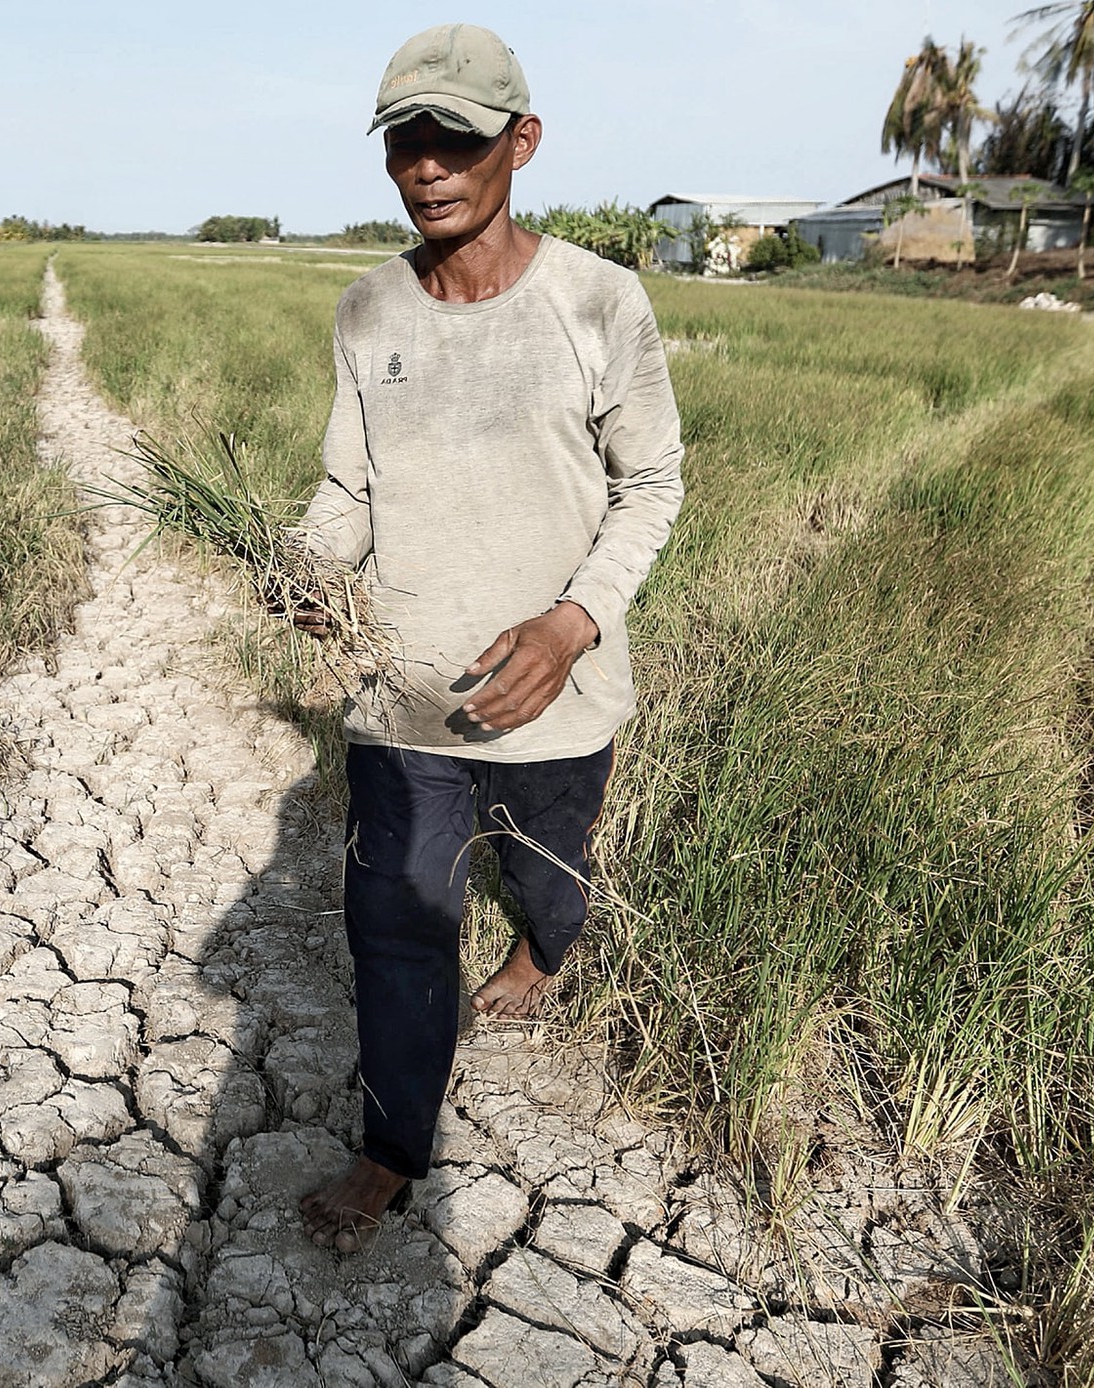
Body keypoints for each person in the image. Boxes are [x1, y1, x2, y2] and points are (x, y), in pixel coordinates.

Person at [289, 23, 685, 1252]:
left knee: (545, 873)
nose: (427, 166)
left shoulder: (596, 301)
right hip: (400, 698)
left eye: (454, 138)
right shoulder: (366, 311)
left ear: (520, 142)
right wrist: (308, 566)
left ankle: (543, 953)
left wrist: (572, 624)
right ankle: (392, 1143)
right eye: (405, 140)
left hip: (555, 697)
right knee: (397, 917)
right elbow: (346, 488)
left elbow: (653, 482)